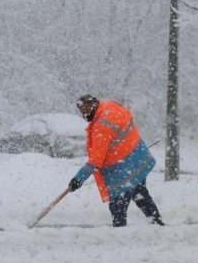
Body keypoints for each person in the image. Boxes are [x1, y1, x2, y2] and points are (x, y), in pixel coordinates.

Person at [68, 94, 164, 227]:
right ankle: (158, 224)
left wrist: (78, 179)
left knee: (118, 205)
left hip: (123, 170)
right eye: (81, 111)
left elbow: (96, 160)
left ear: (93, 104)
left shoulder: (101, 126)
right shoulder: (110, 106)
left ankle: (119, 232)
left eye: (86, 109)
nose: (84, 114)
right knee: (140, 195)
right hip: (139, 159)